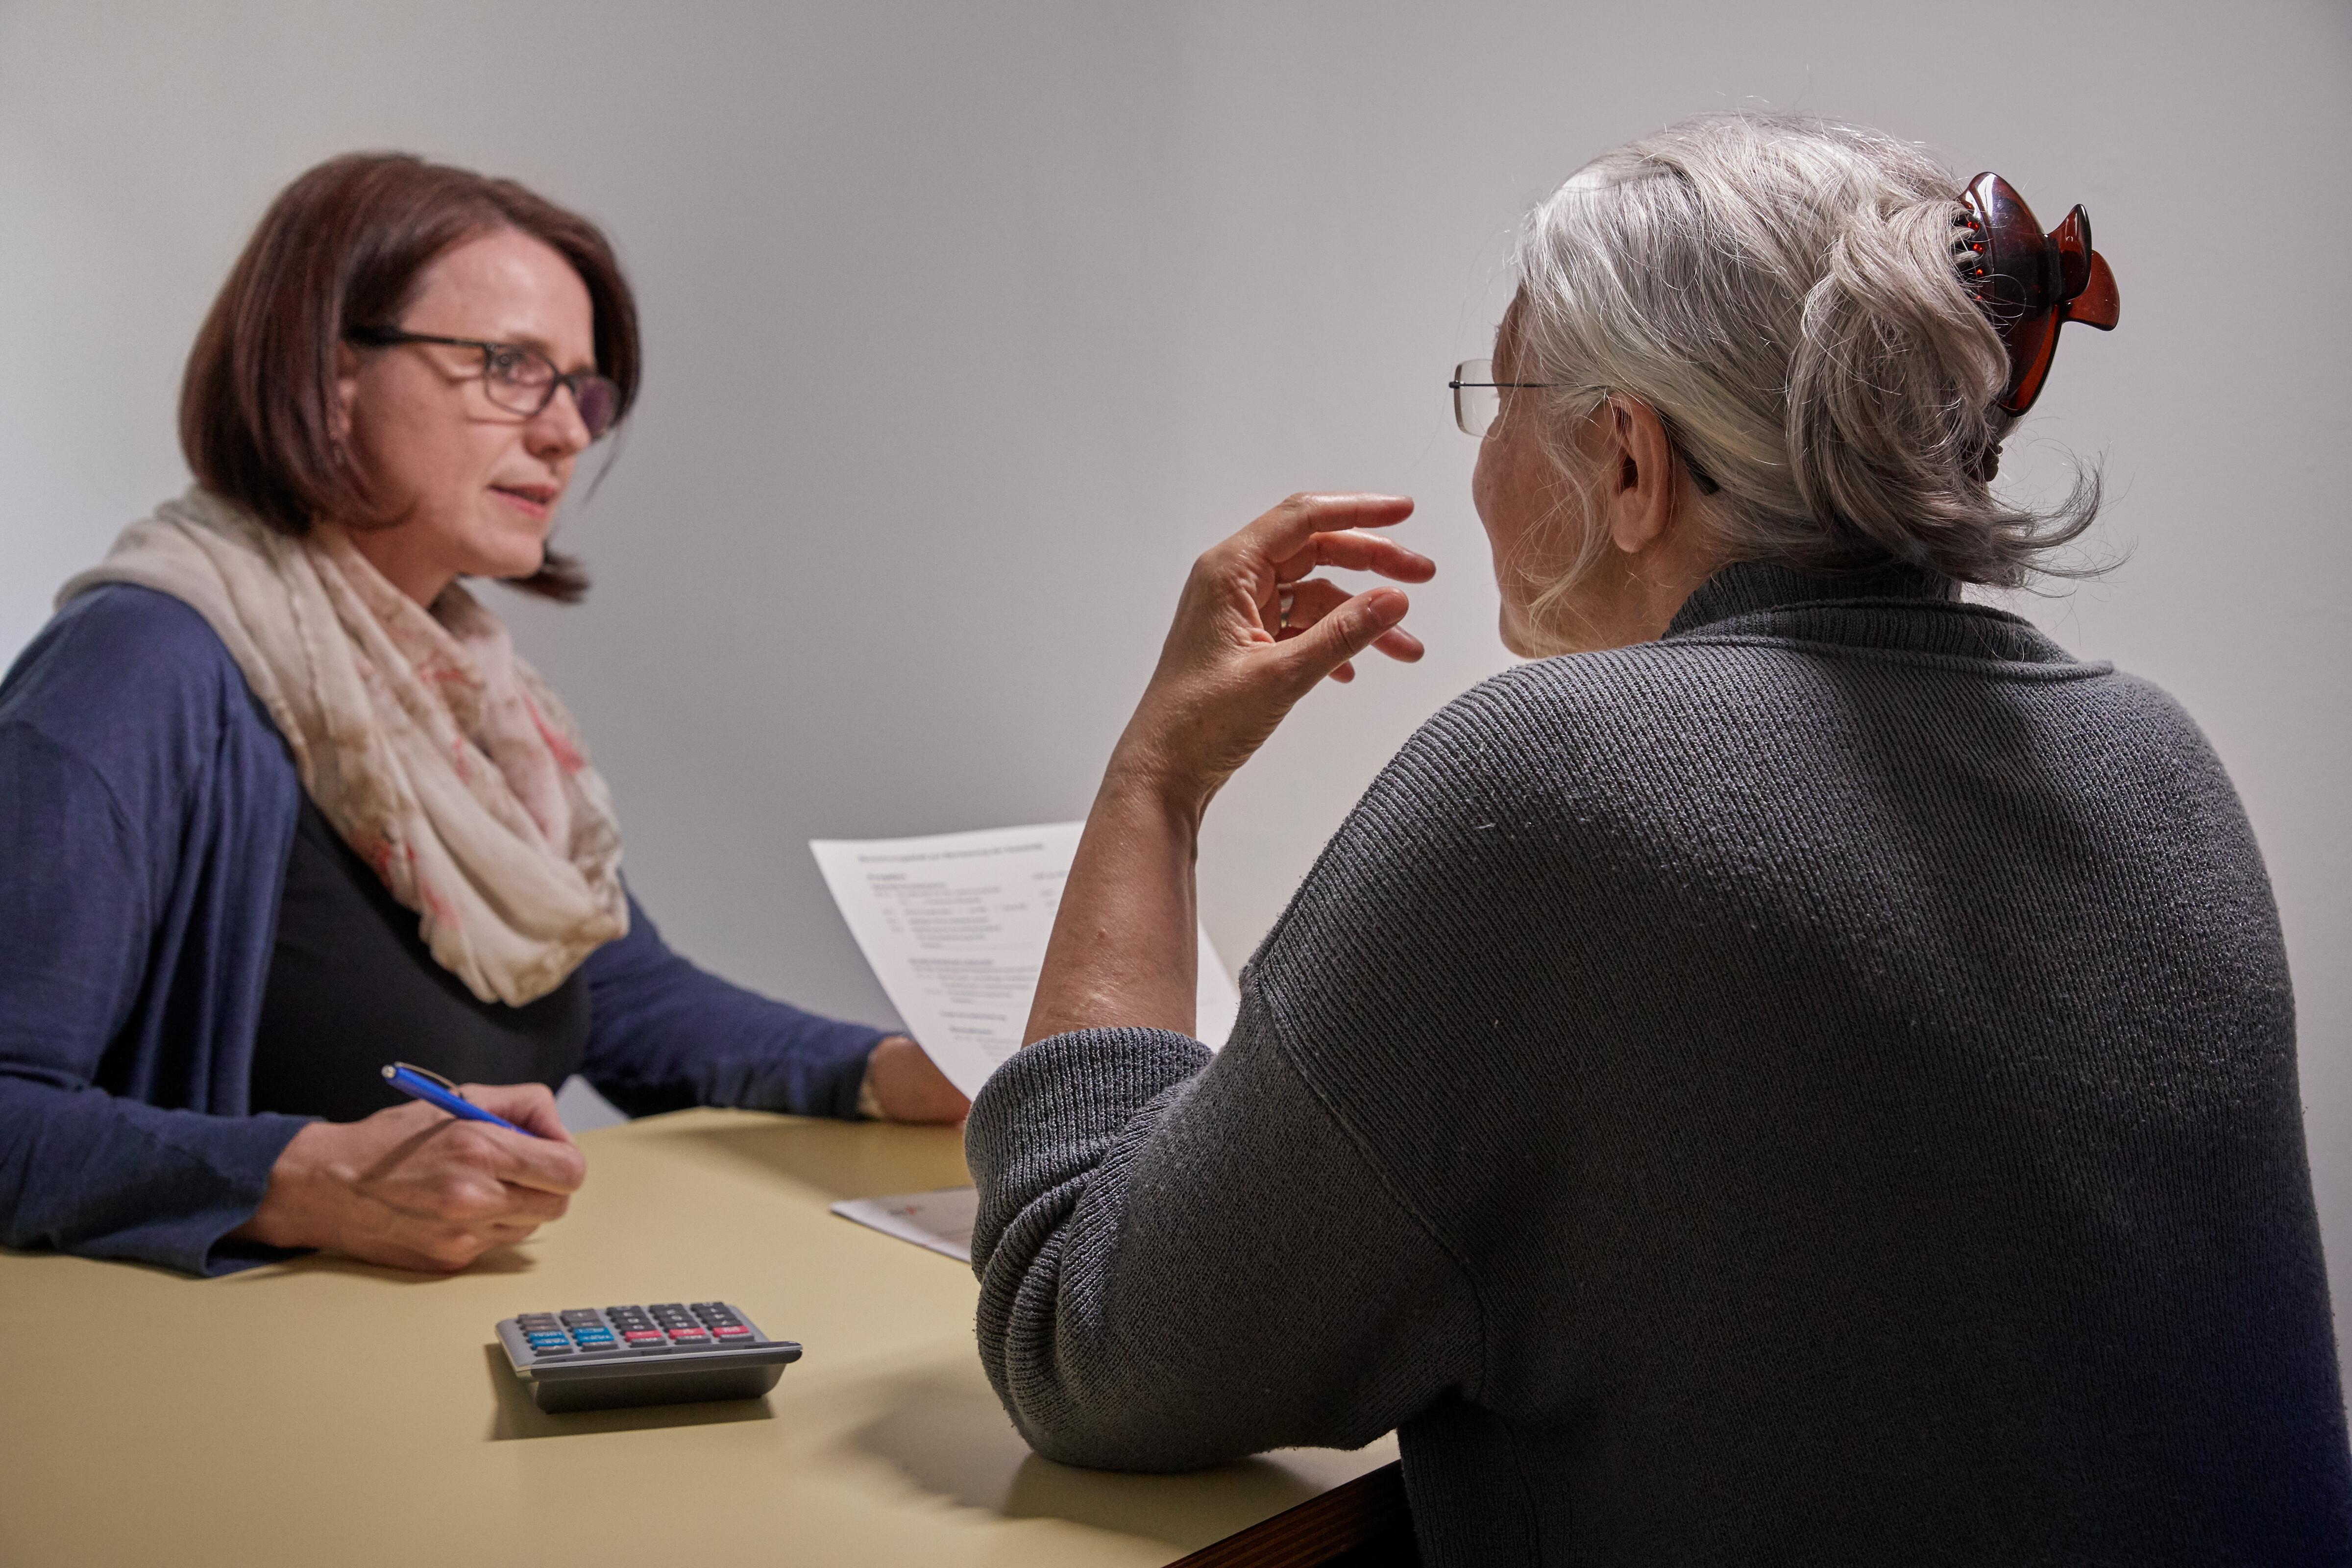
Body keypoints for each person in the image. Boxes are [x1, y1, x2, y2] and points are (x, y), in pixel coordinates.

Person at [963, 113, 2352, 1564]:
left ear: (1630, 462)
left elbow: (1084, 1338)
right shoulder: (2162, 764)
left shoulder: (1555, 785)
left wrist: (1158, 779)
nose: (1482, 449)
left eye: (1499, 395)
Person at [0, 152, 966, 1280]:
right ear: (329, 372)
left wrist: (901, 1069)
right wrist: (302, 1178)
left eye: (583, 389)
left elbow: (618, 993)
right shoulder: (140, 667)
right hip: (190, 1412)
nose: (565, 433)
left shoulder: (465, 689)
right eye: (510, 367)